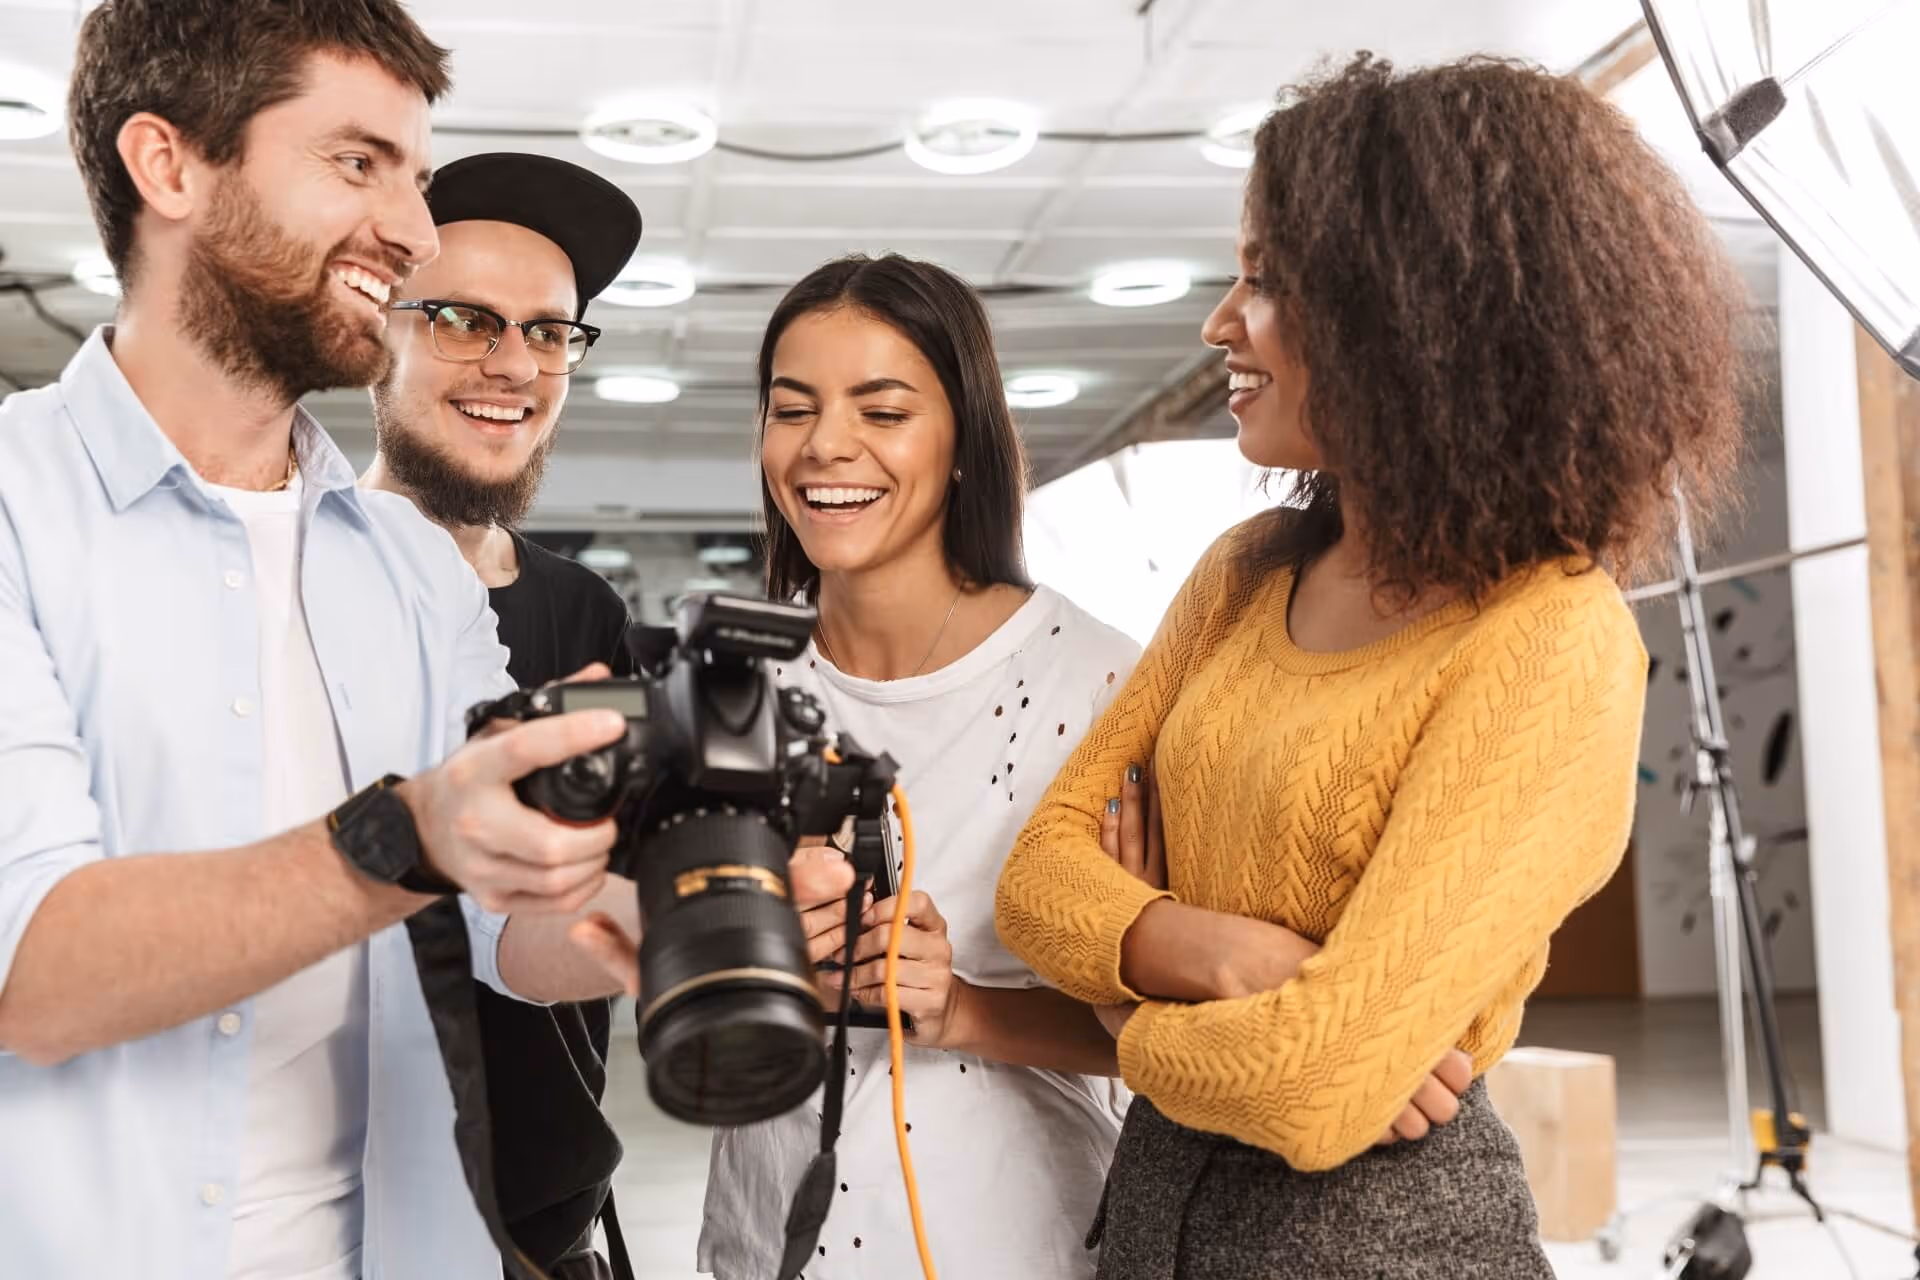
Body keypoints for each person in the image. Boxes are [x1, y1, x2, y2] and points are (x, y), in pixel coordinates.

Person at [0, 7, 836, 1277]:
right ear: (168, 166)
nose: (412, 229)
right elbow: (33, 970)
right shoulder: (16, 512)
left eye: (413, 175)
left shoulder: (405, 565)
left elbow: (507, 925)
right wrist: (411, 832)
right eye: (358, 163)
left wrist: (677, 906)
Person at [995, 54, 1745, 1279]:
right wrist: (1221, 955)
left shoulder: (1550, 636)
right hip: (1153, 1218)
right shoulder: (1246, 570)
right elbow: (1038, 880)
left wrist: (1121, 1007)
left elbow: (1320, 1084)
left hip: (1390, 1239)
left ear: (1411, 314)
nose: (1218, 323)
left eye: (1267, 282)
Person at [681, 253, 1138, 1280]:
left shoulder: (1102, 683)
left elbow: (1164, 1033)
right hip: (767, 1243)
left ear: (965, 438)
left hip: (1017, 1241)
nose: (825, 445)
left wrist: (961, 1003)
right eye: (791, 409)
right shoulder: (730, 681)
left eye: (882, 411)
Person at [360, 150, 643, 1280]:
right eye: (464, 318)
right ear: (375, 322)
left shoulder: (584, 609)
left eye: (548, 330)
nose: (513, 362)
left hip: (553, 1213)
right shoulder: (282, 587)